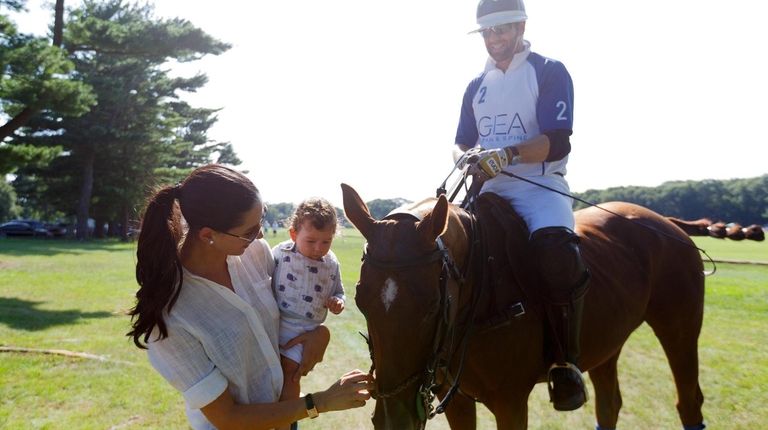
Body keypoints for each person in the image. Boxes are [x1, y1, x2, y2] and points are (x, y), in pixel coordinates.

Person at [127, 164, 370, 429]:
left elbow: (291, 310)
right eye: (249, 231)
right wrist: (321, 402)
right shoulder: (169, 317)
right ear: (208, 235)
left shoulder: (254, 253)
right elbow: (228, 418)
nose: (261, 235)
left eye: (261, 220)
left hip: (287, 418)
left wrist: (319, 334)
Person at [454, 0, 590, 412]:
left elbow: (558, 140)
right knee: (443, 251)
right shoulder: (475, 85)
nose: (495, 40)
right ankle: (442, 355)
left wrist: (508, 154)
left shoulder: (549, 71)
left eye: (503, 30)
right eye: (488, 33)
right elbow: (462, 139)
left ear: (521, 26)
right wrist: (470, 156)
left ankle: (565, 363)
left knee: (557, 258)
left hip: (539, 188)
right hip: (488, 189)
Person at [272, 198, 345, 430]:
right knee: (272, 372)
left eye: (326, 241)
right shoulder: (280, 253)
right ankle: (276, 413)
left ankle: (287, 420)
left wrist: (337, 301)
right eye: (311, 241)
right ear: (293, 234)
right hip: (275, 321)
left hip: (305, 329)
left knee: (291, 373)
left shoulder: (331, 263)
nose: (318, 248)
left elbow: (339, 291)